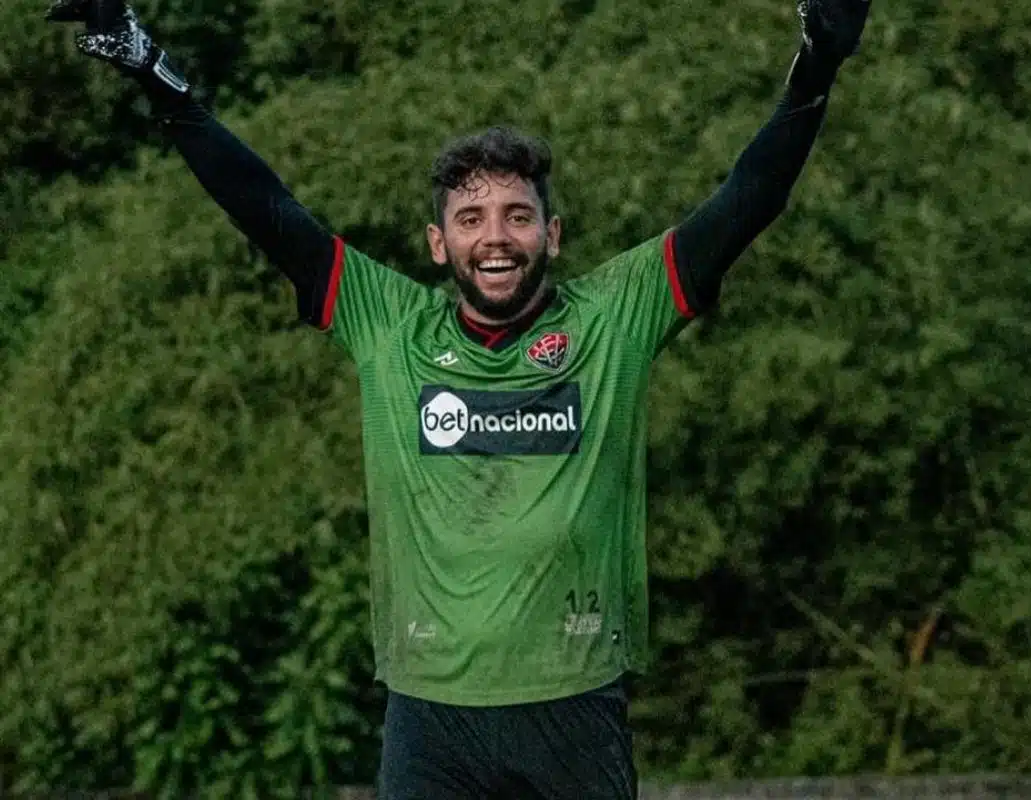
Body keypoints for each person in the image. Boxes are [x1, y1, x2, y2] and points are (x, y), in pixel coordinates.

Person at [46, 0, 872, 797]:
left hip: (574, 707)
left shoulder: (617, 314)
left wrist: (816, 69)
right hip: (431, 716)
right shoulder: (385, 322)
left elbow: (750, 197)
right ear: (439, 244)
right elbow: (262, 205)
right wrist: (149, 68)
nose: (496, 236)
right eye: (471, 218)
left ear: (552, 234)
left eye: (518, 216)